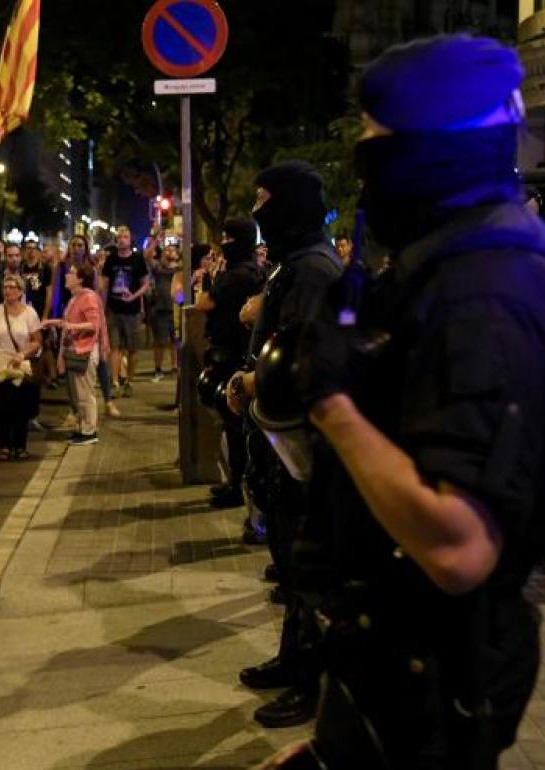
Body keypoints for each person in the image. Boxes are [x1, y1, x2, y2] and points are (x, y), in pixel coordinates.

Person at [256, 34, 545, 769]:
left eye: (379, 141)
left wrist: (334, 405)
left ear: (431, 148)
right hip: (397, 663)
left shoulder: (492, 285)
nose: (365, 160)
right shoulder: (455, 260)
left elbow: (457, 547)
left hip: (439, 672)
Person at [224, 165, 341, 729]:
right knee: (289, 563)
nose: (257, 209)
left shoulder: (314, 270)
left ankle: (311, 683)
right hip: (278, 442)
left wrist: (252, 384)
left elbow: (305, 360)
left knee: (306, 568)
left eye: (264, 198)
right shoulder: (295, 265)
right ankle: (293, 658)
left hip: (303, 448)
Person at [197, 218, 267, 511]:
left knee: (234, 425)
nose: (223, 243)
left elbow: (204, 303)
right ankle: (237, 484)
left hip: (233, 358)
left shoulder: (235, 275)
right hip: (244, 354)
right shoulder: (256, 272)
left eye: (228, 238)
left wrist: (210, 279)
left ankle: (238, 486)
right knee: (237, 426)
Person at [0, 274, 42, 460]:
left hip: (20, 368)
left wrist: (22, 354)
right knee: (0, 409)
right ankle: (4, 446)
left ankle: (20, 445)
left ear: (20, 291)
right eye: (5, 287)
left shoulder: (29, 313)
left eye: (12, 287)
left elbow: (37, 341)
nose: (7, 291)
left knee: (20, 409)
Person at [47, 264, 106, 445]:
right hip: (75, 351)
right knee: (77, 393)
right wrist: (53, 322)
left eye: (71, 273)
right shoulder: (75, 298)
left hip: (85, 351)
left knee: (85, 393)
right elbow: (69, 321)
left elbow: (93, 324)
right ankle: (82, 428)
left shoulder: (88, 297)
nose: (66, 276)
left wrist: (70, 326)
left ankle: (89, 431)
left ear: (80, 279)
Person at [100, 226, 149, 395]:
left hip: (132, 310)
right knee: (114, 346)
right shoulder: (111, 260)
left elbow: (145, 284)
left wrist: (134, 296)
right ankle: (114, 381)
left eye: (125, 236)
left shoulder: (138, 259)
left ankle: (130, 380)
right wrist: (102, 308)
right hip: (114, 309)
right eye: (119, 236)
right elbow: (105, 286)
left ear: (130, 239)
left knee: (133, 348)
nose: (122, 239)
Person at [147, 243, 181, 382]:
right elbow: (148, 256)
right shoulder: (158, 268)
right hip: (160, 308)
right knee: (160, 342)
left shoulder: (181, 269)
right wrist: (155, 239)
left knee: (176, 341)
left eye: (172, 250)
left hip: (175, 308)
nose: (169, 252)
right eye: (167, 250)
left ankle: (175, 367)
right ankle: (158, 369)